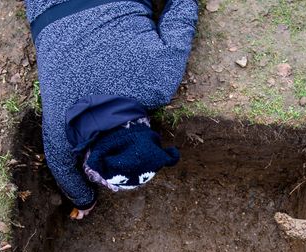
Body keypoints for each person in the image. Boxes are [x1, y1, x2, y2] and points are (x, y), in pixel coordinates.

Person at [24, 0, 198, 218]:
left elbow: (181, 15)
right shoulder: (62, 127)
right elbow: (60, 166)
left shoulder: (157, 85)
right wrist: (84, 200)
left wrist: (85, 199)